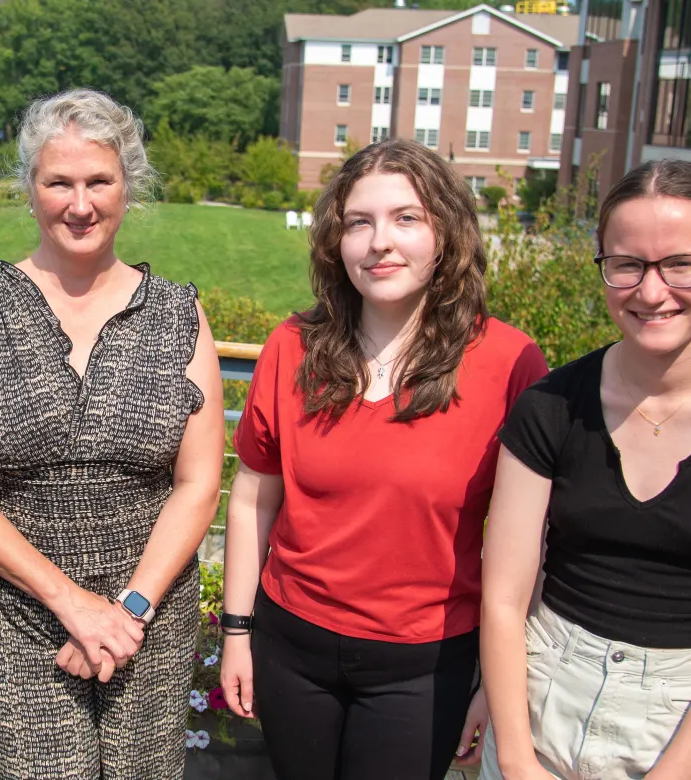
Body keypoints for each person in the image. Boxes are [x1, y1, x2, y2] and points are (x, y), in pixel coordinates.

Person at [479, 161, 691, 780]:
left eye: (682, 264)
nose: (651, 291)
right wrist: (515, 758)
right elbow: (505, 598)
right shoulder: (552, 407)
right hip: (543, 691)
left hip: (685, 717)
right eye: (628, 264)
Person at [215, 139, 549, 779]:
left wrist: (496, 687)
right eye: (359, 222)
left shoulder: (508, 363)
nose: (379, 242)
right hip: (291, 648)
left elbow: (532, 542)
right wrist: (237, 631)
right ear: (336, 243)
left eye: (407, 218)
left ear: (446, 234)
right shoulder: (293, 347)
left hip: (424, 666)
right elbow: (255, 495)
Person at [0, 88, 224, 779]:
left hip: (147, 621)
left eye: (100, 181)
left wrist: (129, 609)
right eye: (59, 182)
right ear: (29, 189)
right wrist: (70, 604)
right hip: (15, 620)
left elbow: (198, 481)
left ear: (129, 188)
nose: (80, 203)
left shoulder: (181, 315)